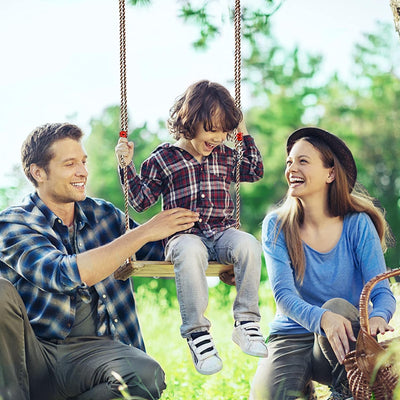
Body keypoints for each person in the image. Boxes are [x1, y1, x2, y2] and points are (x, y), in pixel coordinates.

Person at [0, 122, 199, 400]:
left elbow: (164, 254)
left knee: (146, 375)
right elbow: (62, 274)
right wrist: (143, 232)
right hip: (36, 356)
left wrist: (223, 256)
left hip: (94, 354)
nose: (82, 171)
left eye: (83, 162)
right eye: (70, 164)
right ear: (38, 172)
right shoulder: (13, 223)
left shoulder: (104, 215)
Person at [115, 80, 268, 376]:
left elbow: (255, 169)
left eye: (225, 131)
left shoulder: (225, 155)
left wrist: (241, 130)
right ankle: (198, 335)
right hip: (182, 239)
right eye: (212, 129)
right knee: (189, 248)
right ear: (190, 121)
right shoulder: (164, 158)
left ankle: (246, 323)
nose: (218, 138)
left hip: (222, 233)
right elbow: (140, 200)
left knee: (248, 243)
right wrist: (126, 166)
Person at [249, 127, 396, 400]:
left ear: (330, 173)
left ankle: (345, 391)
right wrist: (322, 318)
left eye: (303, 161)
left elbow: (381, 290)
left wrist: (379, 316)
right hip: (292, 336)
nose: (292, 168)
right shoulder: (277, 225)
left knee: (337, 307)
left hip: (344, 341)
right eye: (289, 161)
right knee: (267, 396)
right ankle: (302, 386)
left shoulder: (357, 224)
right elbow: (283, 296)